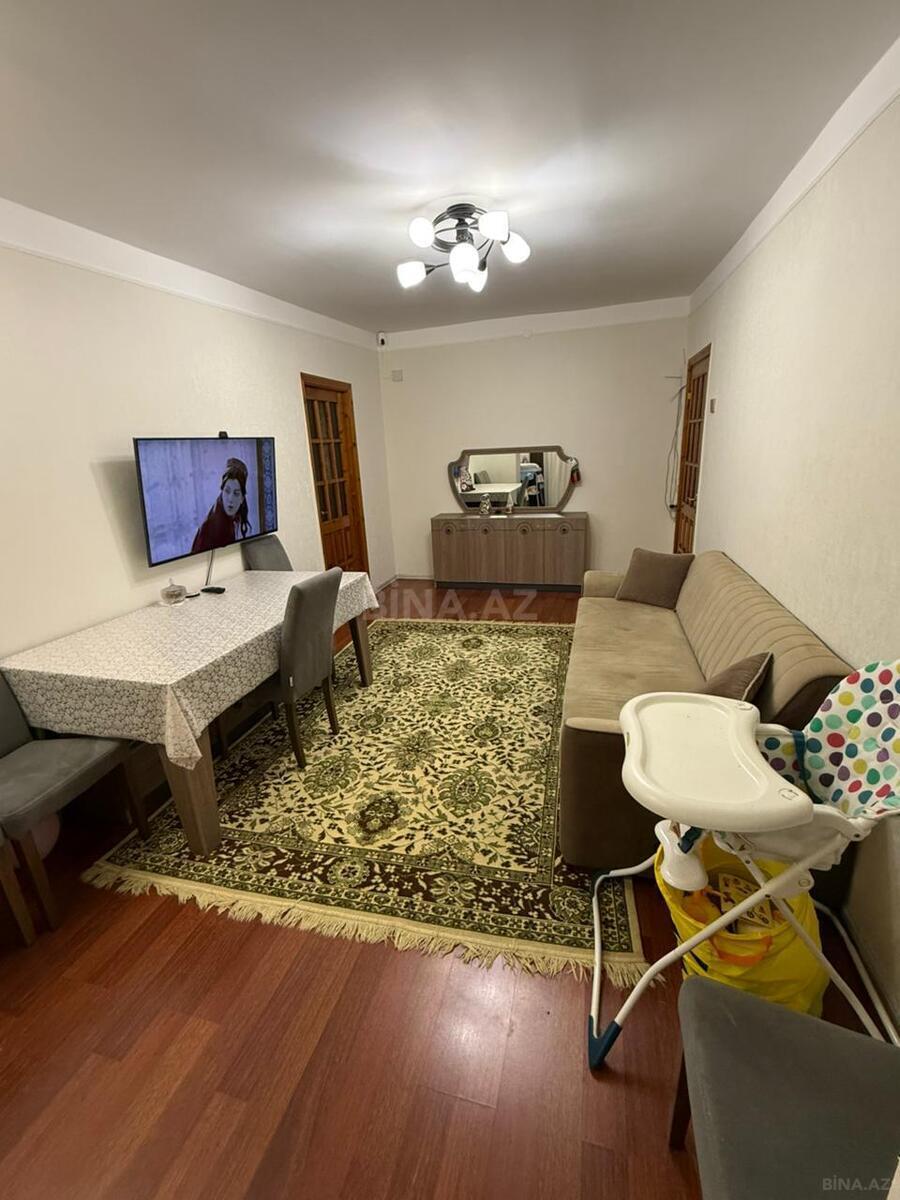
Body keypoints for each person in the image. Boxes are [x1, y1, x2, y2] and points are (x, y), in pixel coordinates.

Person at [191, 457, 252, 553]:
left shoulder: (233, 514)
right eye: (227, 491)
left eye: (236, 493)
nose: (230, 499)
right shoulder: (215, 525)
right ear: (222, 492)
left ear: (242, 499)